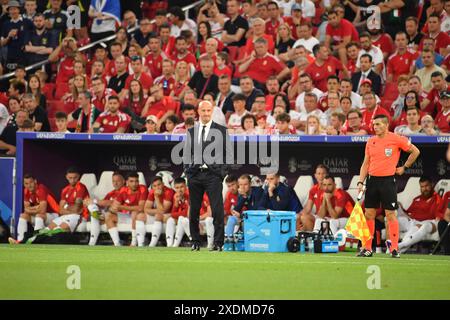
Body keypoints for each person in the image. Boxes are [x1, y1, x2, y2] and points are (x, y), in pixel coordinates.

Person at [357, 114, 420, 258]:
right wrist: (361, 182)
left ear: (386, 125)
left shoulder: (396, 138)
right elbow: (365, 163)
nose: (375, 127)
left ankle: (394, 249)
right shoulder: (370, 141)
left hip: (388, 181)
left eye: (378, 124)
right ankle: (367, 248)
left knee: (390, 214)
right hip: (372, 181)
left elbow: (415, 151)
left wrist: (404, 167)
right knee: (369, 214)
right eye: (374, 124)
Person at [183, 100, 232, 251]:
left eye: (208, 111)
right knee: (194, 210)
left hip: (213, 176)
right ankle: (195, 242)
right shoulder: (191, 132)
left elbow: (228, 155)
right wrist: (188, 172)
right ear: (199, 112)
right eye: (203, 111)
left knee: (217, 210)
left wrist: (221, 174)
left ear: (212, 112)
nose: (206, 113)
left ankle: (218, 243)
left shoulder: (221, 131)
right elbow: (186, 154)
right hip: (195, 175)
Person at [398, 176, 442, 253]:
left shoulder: (437, 198)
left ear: (432, 185)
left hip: (427, 222)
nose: (425, 189)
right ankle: (395, 247)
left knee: (422, 226)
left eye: (427, 186)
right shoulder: (417, 199)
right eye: (422, 187)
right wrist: (401, 208)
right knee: (392, 219)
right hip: (413, 221)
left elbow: (437, 216)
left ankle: (399, 246)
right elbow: (408, 213)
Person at [13, 174, 59, 243]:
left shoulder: (41, 189)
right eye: (26, 183)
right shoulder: (26, 191)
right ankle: (20, 240)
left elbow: (42, 210)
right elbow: (26, 209)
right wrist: (37, 207)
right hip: (42, 216)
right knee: (23, 216)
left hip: (55, 216)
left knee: (39, 215)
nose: (29, 185)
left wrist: (31, 209)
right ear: (24, 184)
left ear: (35, 181)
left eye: (31, 182)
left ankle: (36, 240)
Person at [104, 172, 147, 247]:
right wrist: (111, 210)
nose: (134, 184)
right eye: (131, 181)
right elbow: (115, 206)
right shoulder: (124, 190)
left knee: (135, 212)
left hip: (141, 217)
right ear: (127, 182)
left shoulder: (142, 188)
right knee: (108, 216)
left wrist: (121, 207)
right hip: (128, 216)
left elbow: (140, 208)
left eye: (136, 181)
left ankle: (133, 243)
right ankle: (117, 244)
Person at [85, 171, 125, 246]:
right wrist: (88, 202)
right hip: (108, 216)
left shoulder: (125, 190)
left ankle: (92, 243)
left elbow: (111, 202)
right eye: (113, 181)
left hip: (121, 216)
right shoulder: (111, 193)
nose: (115, 183)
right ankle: (92, 243)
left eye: (118, 181)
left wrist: (94, 201)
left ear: (123, 181)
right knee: (94, 213)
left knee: (96, 213)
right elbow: (102, 204)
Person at [138, 176, 174, 247]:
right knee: (140, 216)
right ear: (152, 186)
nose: (157, 188)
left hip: (170, 216)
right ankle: (140, 244)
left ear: (163, 184)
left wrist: (156, 197)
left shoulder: (169, 191)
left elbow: (164, 211)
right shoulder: (152, 192)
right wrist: (157, 211)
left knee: (158, 215)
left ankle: (152, 244)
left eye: (159, 185)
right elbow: (146, 209)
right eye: (154, 186)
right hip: (159, 215)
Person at [225, 174, 264, 239]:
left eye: (245, 184)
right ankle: (229, 241)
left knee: (245, 224)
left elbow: (256, 210)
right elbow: (236, 210)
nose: (242, 187)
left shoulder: (258, 191)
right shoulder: (241, 193)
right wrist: (244, 196)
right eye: (240, 185)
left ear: (250, 184)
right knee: (231, 219)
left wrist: (240, 215)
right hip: (246, 218)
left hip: (258, 218)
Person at [166, 177, 191, 247]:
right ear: (174, 188)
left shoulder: (190, 195)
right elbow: (173, 213)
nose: (179, 190)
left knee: (181, 218)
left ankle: (176, 244)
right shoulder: (176, 196)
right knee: (170, 220)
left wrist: (173, 214)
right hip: (184, 219)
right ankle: (169, 244)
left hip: (194, 218)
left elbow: (187, 213)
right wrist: (176, 203)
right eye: (177, 188)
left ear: (185, 186)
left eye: (181, 187)